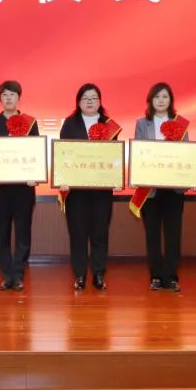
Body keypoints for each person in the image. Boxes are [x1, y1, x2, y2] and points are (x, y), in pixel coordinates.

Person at [59, 83, 120, 291]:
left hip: (102, 190)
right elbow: (63, 155)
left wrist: (116, 177)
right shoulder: (70, 124)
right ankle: (79, 275)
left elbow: (115, 158)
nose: (90, 101)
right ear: (78, 102)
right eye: (85, 98)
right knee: (77, 234)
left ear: (100, 101)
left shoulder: (109, 125)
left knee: (100, 233)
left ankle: (99, 274)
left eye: (94, 98)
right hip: (76, 191)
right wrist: (62, 178)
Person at [0, 80, 40, 291]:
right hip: (0, 188)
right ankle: (6, 274)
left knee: (23, 232)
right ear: (0, 98)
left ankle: (18, 273)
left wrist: (35, 175)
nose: (8, 98)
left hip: (24, 188)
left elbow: (35, 153)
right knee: (2, 233)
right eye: (5, 94)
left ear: (19, 98)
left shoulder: (30, 123)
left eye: (12, 94)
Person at [133, 82, 189, 292]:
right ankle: (156, 275)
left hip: (174, 189)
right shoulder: (142, 124)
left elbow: (186, 154)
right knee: (153, 234)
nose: (161, 100)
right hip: (151, 190)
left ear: (171, 100)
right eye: (157, 96)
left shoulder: (180, 124)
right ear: (150, 100)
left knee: (173, 234)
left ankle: (172, 276)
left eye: (165, 96)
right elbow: (139, 152)